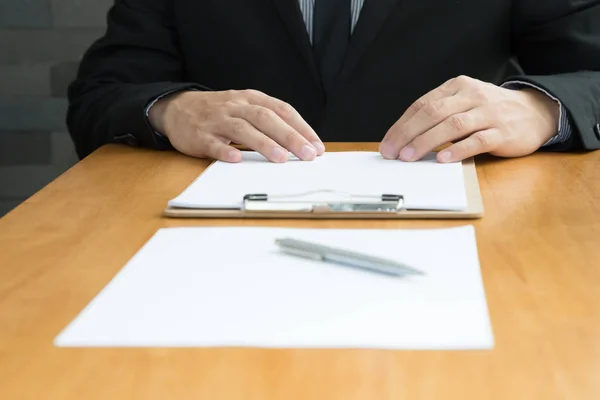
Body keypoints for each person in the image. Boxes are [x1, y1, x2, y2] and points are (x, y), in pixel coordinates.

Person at [67, 0, 600, 164]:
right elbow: (101, 93)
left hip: (462, 230)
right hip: (214, 236)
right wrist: (169, 109)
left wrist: (538, 109)